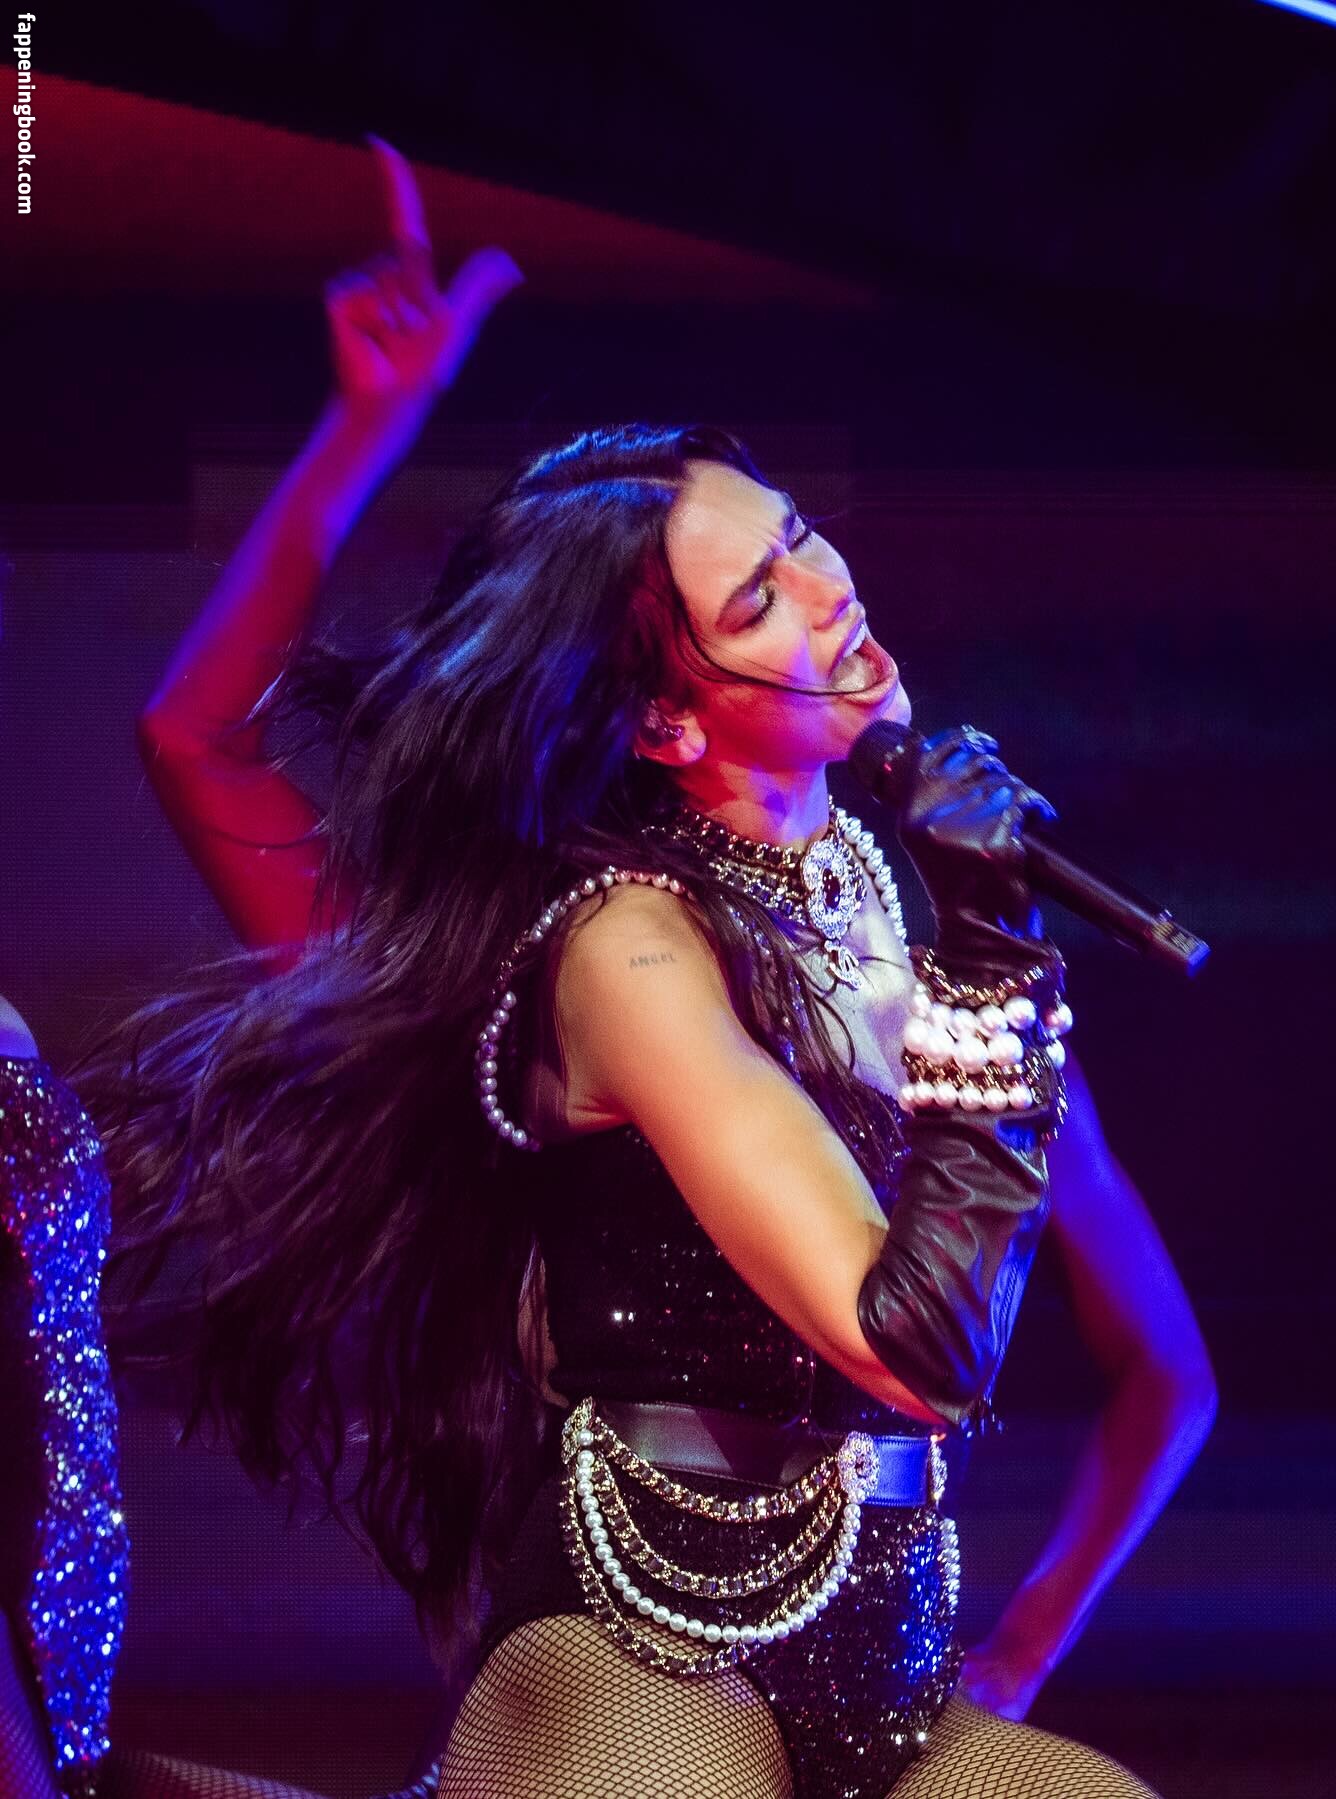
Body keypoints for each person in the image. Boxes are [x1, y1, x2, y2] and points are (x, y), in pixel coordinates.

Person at [88, 141, 1216, 1798]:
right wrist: (366, 431)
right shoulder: (617, 944)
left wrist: (1022, 1650)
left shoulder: (930, 953)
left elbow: (1166, 1375)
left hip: (891, 1678)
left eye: (804, 538)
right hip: (638, 1646)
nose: (829, 591)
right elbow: (913, 1351)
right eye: (759, 597)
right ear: (670, 722)